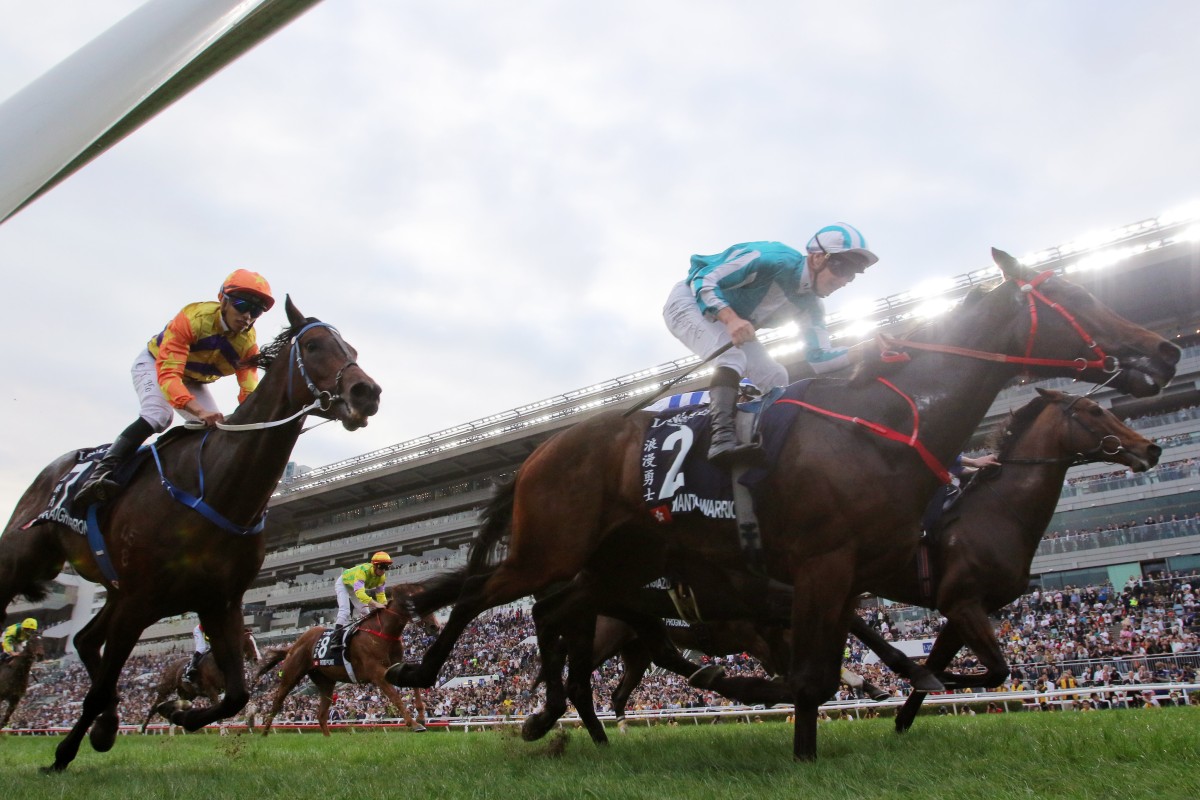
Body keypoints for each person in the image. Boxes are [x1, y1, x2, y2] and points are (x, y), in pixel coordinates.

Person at [663, 223, 879, 466]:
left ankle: (768, 440)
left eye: (854, 273)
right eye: (843, 268)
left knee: (776, 375)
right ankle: (721, 440)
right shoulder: (771, 259)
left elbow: (820, 358)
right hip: (688, 301)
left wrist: (867, 349)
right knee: (732, 358)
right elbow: (703, 279)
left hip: (729, 319)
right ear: (818, 258)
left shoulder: (812, 306)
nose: (846, 280)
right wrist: (730, 318)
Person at [74, 270, 275, 510]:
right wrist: (199, 411)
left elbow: (249, 389)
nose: (247, 316)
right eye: (242, 305)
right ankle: (102, 471)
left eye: (256, 311)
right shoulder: (192, 319)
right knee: (158, 415)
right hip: (155, 364)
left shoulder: (247, 344)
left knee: (219, 431)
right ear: (223, 299)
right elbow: (169, 376)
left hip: (193, 379)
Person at [333, 552, 393, 635]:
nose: (383, 570)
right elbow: (360, 594)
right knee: (345, 611)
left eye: (386, 567)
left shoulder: (382, 578)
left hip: (355, 588)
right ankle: (335, 638)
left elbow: (380, 595)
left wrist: (385, 606)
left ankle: (362, 634)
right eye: (381, 567)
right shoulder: (363, 571)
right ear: (374, 566)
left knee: (365, 612)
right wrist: (375, 604)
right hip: (343, 584)